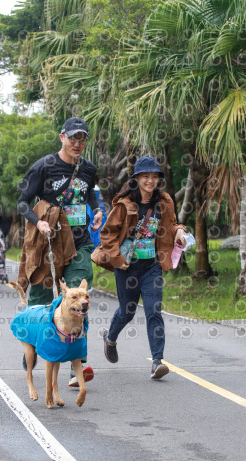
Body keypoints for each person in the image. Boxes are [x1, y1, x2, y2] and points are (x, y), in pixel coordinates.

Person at [17, 117, 103, 386]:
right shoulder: (45, 165)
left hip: (79, 243)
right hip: (48, 244)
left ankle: (76, 366)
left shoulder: (88, 169)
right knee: (42, 303)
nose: (78, 143)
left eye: (83, 138)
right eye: (73, 137)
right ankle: (33, 349)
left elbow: (90, 195)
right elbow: (22, 202)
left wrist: (98, 210)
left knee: (78, 297)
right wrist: (38, 221)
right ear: (61, 137)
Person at [92, 156, 187, 379]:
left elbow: (171, 224)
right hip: (127, 267)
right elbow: (107, 234)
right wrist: (116, 258)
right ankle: (110, 338)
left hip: (152, 266)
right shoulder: (125, 204)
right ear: (136, 178)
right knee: (128, 311)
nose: (150, 181)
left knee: (154, 310)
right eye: (146, 176)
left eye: (154, 177)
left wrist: (180, 231)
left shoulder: (163, 201)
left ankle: (157, 361)